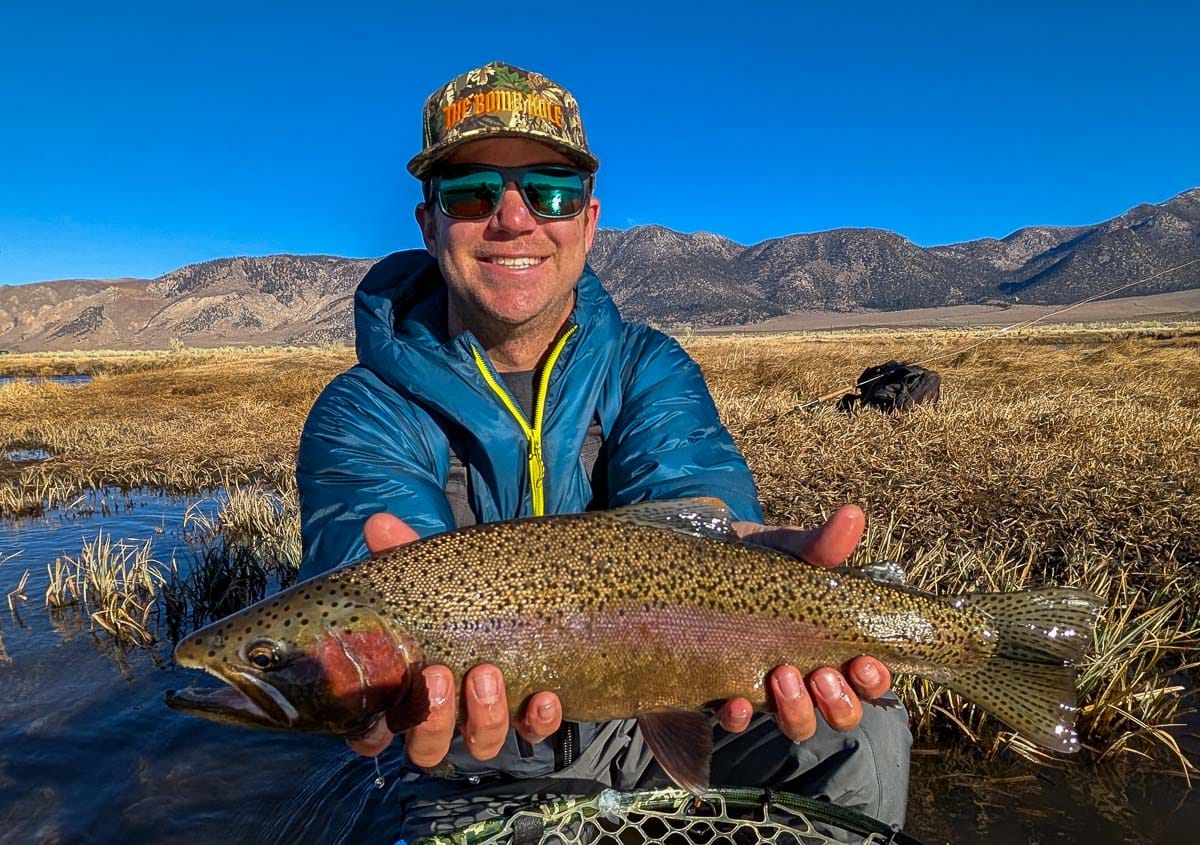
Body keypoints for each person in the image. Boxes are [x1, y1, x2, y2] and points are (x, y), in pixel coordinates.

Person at [296, 60, 911, 840]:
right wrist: (375, 694)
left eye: (547, 190)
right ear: (429, 224)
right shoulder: (362, 411)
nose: (513, 218)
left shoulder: (647, 366)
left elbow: (696, 499)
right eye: (471, 191)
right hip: (466, 755)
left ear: (587, 220)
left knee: (859, 729)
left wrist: (746, 549)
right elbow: (353, 587)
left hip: (664, 701)